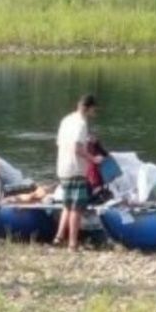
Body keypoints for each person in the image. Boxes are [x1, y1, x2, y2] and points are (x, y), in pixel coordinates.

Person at [54, 94, 100, 251]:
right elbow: (77, 148)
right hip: (76, 170)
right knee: (76, 208)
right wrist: (93, 159)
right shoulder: (81, 123)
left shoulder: (66, 120)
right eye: (94, 108)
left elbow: (62, 143)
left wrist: (87, 140)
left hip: (62, 168)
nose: (96, 111)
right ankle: (72, 244)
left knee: (67, 205)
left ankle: (59, 237)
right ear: (87, 108)